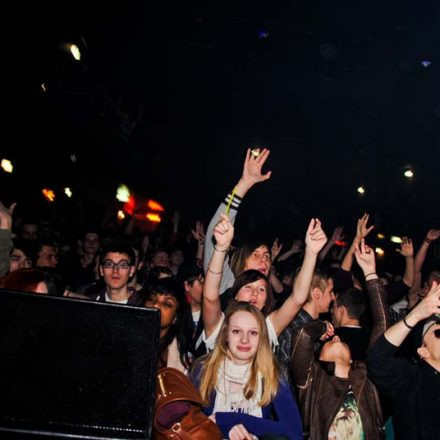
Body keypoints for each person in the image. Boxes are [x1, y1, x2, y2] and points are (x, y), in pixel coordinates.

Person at [290, 239, 388, 440]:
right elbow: (303, 336)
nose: (334, 337)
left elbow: (382, 325)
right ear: (319, 359)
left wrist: (370, 273)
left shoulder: (366, 376)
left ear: (352, 359)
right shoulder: (311, 383)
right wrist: (323, 325)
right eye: (327, 341)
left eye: (332, 338)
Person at [203, 213, 327, 352]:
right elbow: (209, 295)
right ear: (235, 294)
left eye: (261, 289)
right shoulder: (220, 324)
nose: (255, 293)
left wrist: (311, 252)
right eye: (248, 287)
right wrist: (221, 247)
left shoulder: (267, 328)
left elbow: (298, 298)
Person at [191, 301, 303, 440]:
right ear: (226, 335)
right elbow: (187, 424)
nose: (245, 340)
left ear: (261, 338)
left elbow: (294, 432)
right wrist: (223, 430)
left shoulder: (270, 373)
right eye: (237, 331)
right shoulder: (204, 369)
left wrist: (232, 420)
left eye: (253, 333)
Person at [367, 281, 440, 440]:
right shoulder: (413, 379)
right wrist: (416, 315)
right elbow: (377, 359)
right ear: (423, 351)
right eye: (439, 331)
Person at [143, 277, 194, 374]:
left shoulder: (183, 360)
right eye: (152, 299)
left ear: (176, 317)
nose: (156, 305)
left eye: (167, 304)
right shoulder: (126, 339)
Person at [94, 240, 143, 305]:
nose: (115, 270)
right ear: (101, 270)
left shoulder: (144, 306)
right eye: (109, 264)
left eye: (122, 265)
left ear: (131, 271)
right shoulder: (91, 304)